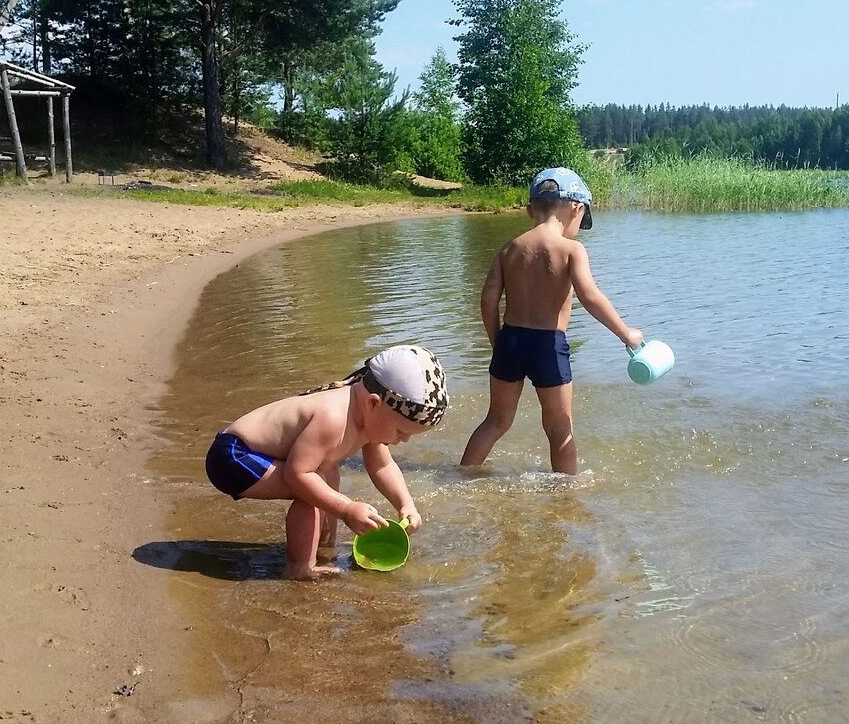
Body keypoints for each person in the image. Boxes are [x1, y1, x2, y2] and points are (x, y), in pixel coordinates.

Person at [205, 344, 448, 580]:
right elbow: (298, 475)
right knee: (312, 487)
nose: (403, 440)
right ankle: (300, 567)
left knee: (327, 474)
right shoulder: (332, 418)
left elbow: (383, 466)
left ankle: (323, 545)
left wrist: (406, 504)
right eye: (400, 431)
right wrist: (346, 509)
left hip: (254, 452)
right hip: (233, 456)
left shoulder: (368, 418)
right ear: (374, 403)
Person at [460, 167, 643, 475]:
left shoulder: (510, 248)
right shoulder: (572, 249)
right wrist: (626, 334)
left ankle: (461, 474)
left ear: (531, 209)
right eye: (581, 220)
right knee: (560, 429)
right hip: (548, 344)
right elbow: (590, 296)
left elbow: (488, 299)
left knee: (496, 421)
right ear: (576, 207)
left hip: (510, 340)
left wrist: (498, 342)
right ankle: (567, 495)